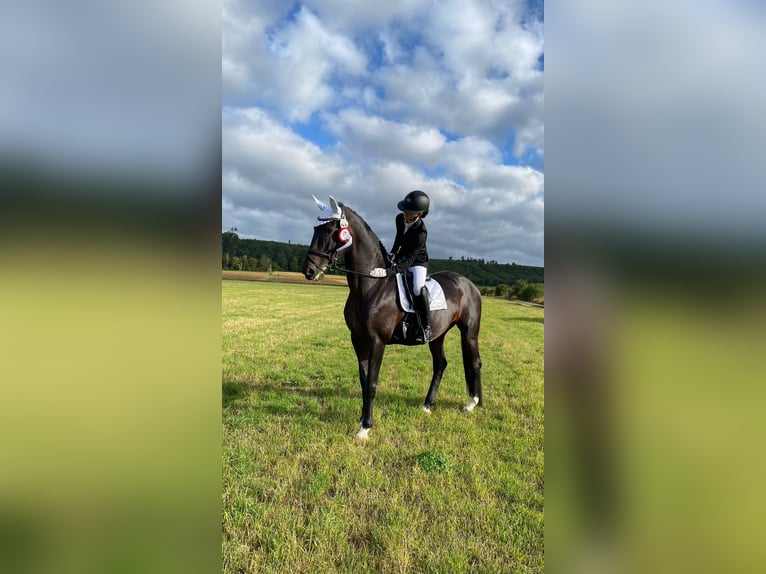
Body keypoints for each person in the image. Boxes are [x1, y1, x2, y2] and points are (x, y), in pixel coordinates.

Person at [389, 190, 431, 343]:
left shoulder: (421, 231)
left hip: (417, 262)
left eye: (409, 212)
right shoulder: (400, 218)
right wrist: (392, 254)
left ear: (420, 213)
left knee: (417, 288)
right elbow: (398, 238)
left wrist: (393, 269)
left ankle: (426, 327)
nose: (405, 215)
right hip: (401, 257)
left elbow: (411, 258)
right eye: (404, 211)